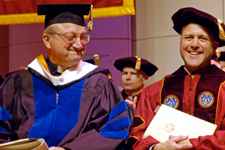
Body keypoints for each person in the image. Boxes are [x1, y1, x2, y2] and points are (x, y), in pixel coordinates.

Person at [0, 3, 131, 150]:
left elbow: (115, 128)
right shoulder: (18, 83)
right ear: (47, 40)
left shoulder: (99, 83)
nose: (79, 44)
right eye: (71, 37)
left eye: (84, 37)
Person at [130, 7, 225, 150]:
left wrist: (192, 144)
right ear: (180, 42)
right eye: (188, 37)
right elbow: (135, 137)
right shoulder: (155, 91)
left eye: (202, 38)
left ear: (214, 46)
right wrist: (156, 148)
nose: (194, 44)